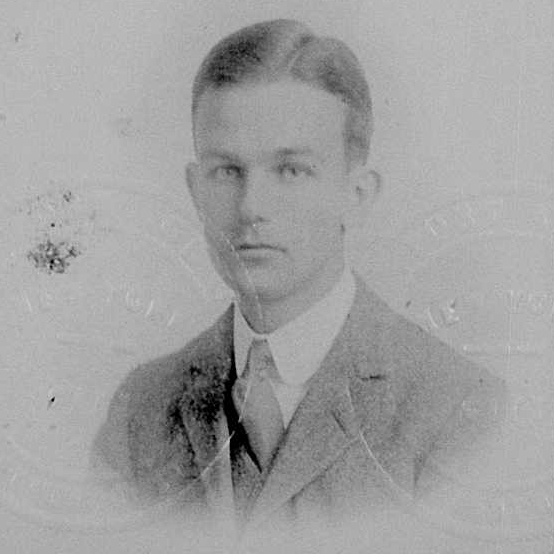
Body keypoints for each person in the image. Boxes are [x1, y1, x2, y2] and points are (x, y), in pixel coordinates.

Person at [90, 18, 506, 542]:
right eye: (227, 171)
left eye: (291, 170)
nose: (251, 208)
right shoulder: (140, 410)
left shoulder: (458, 411)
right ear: (195, 192)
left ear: (357, 194)